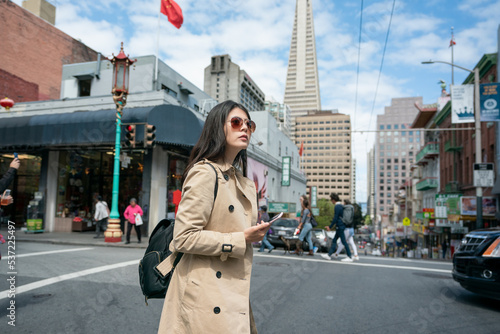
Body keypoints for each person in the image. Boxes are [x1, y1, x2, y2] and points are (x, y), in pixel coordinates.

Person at [158, 100, 269, 334]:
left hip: (232, 291)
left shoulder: (244, 183)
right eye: (237, 122)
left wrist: (253, 234)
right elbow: (184, 238)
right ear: (218, 127)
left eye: (249, 124)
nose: (245, 128)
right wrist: (240, 239)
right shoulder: (204, 173)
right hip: (205, 296)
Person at [321, 193, 353, 262]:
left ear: (333, 200)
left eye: (331, 200)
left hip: (340, 226)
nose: (331, 201)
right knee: (335, 240)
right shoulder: (341, 206)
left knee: (343, 241)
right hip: (341, 225)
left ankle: (349, 256)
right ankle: (329, 255)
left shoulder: (337, 206)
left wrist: (330, 226)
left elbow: (335, 218)